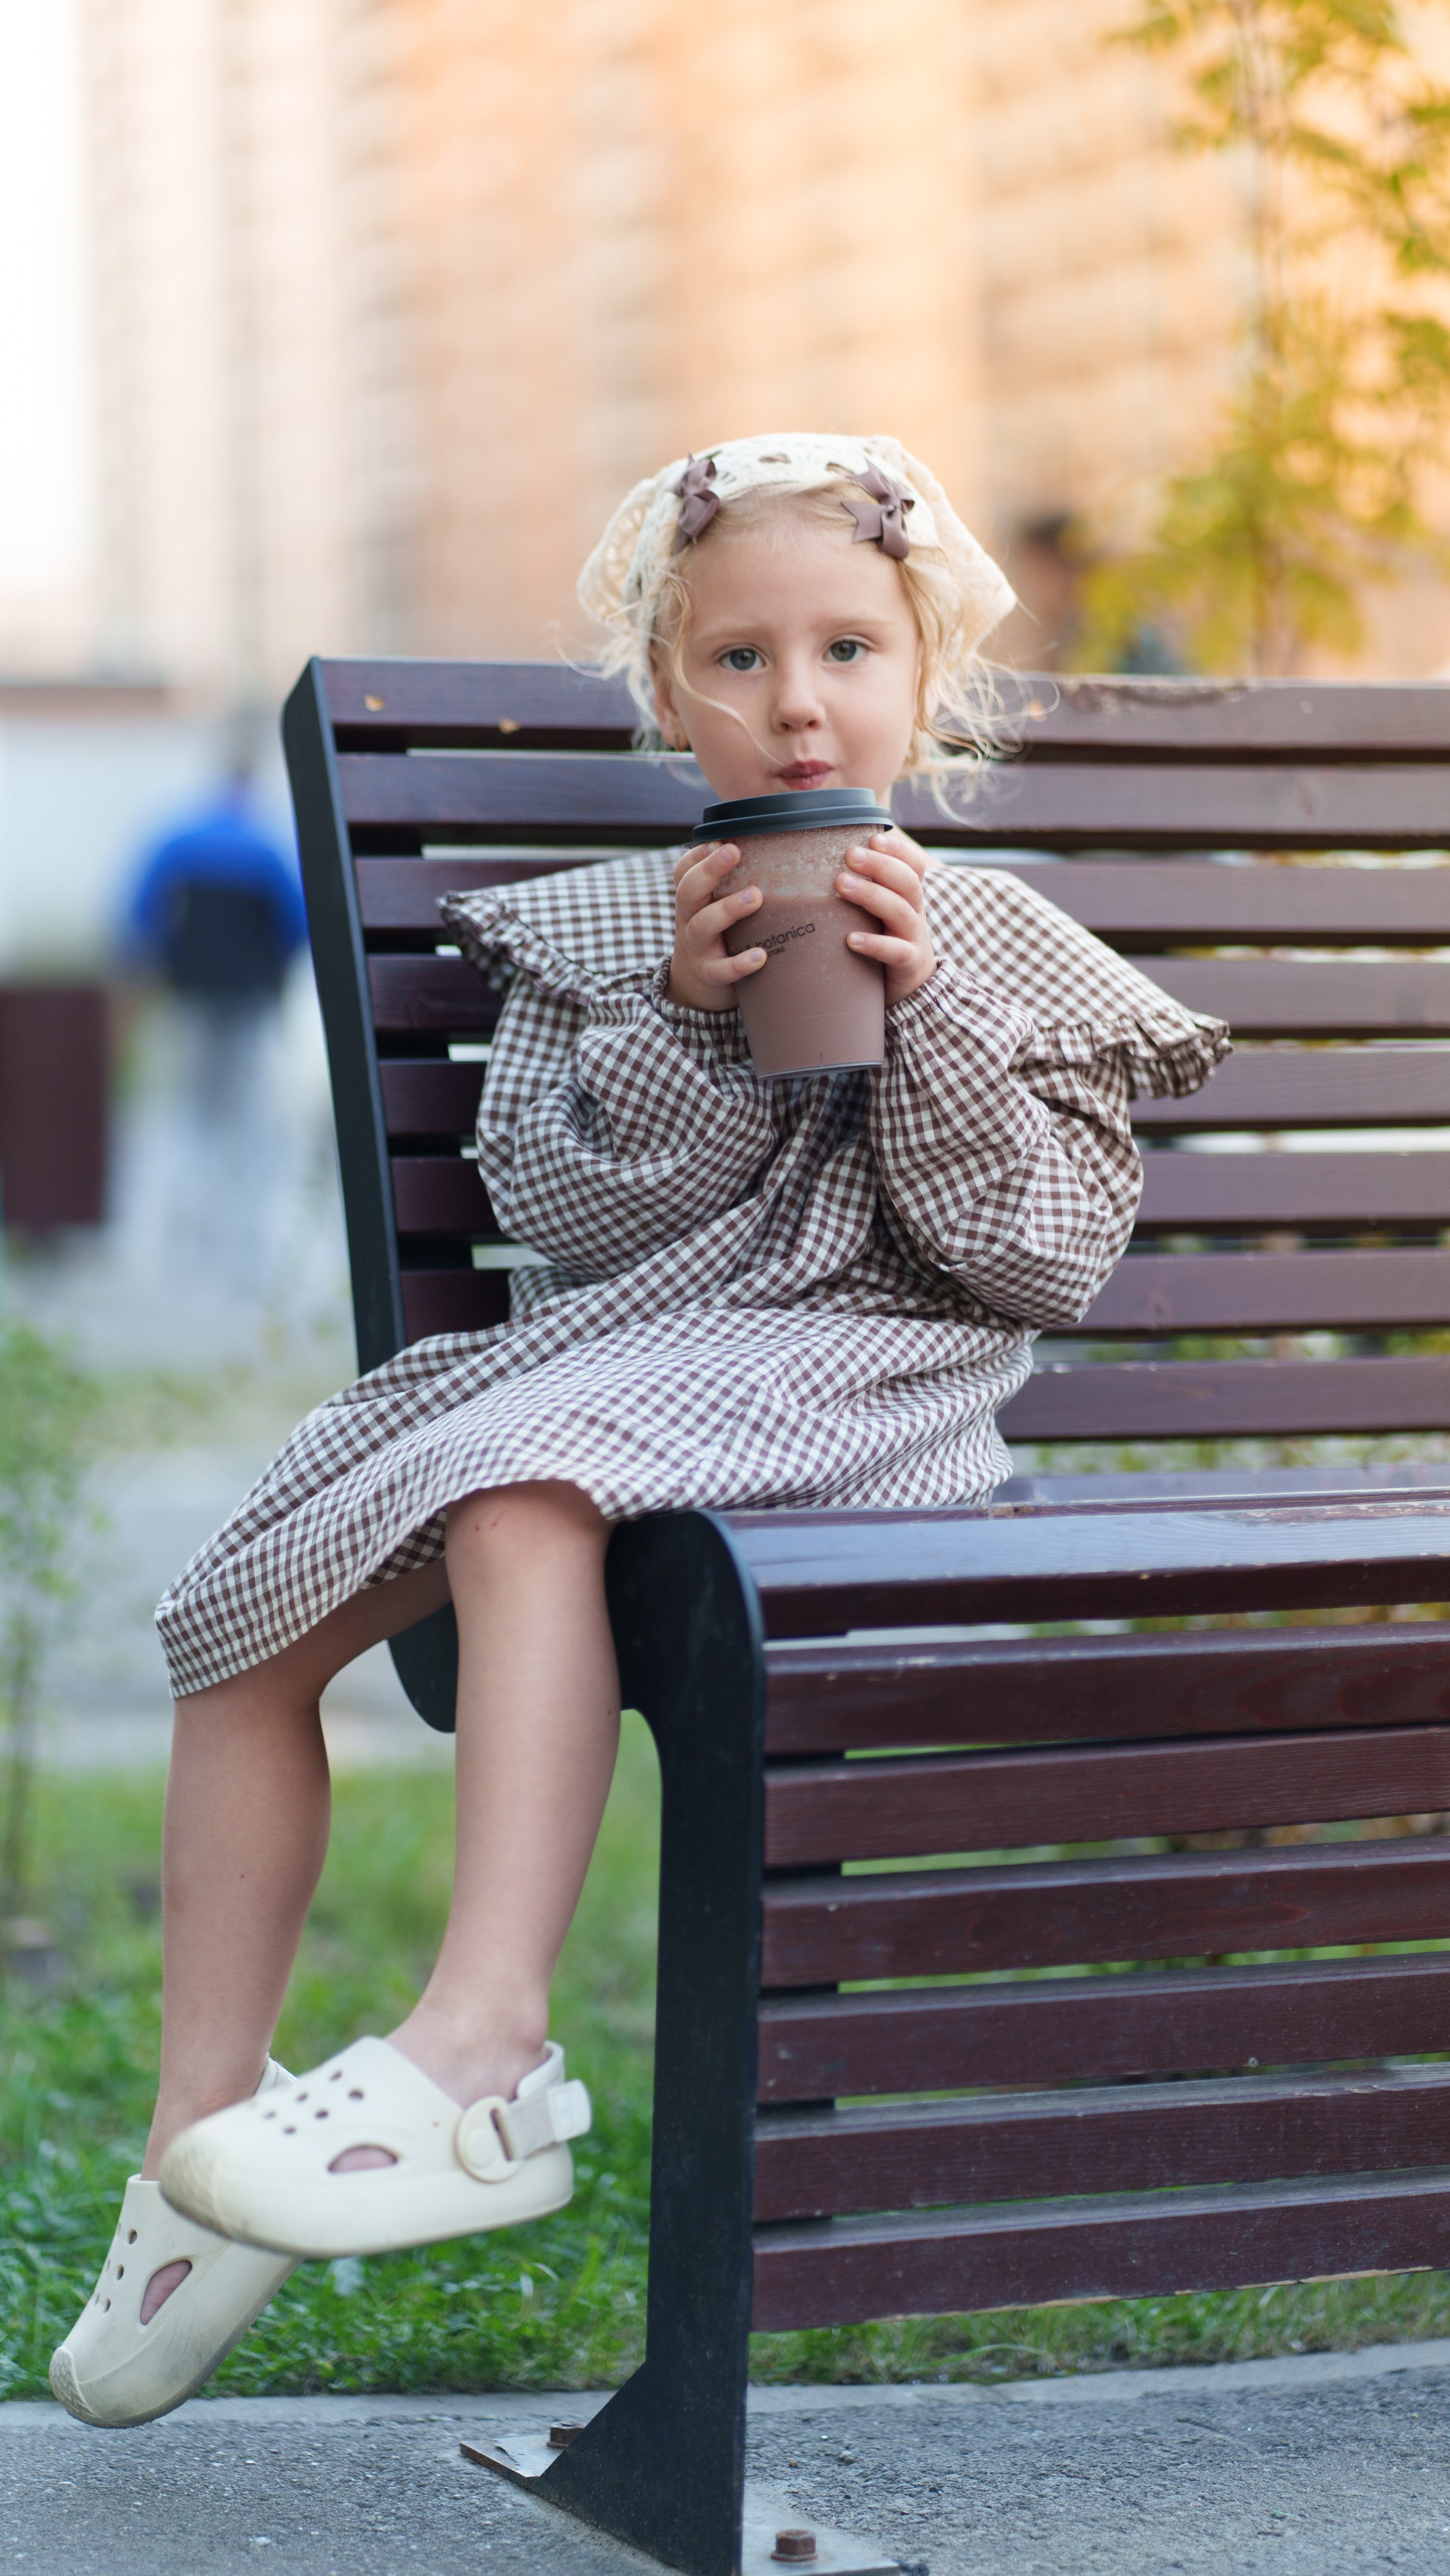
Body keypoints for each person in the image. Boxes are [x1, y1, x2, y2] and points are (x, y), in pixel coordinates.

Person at [52, 433, 1229, 2426]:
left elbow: (1035, 1263)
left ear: (922, 673)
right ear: (668, 691)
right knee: (237, 1621)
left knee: (527, 1497)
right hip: (644, 1348)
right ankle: (197, 2153)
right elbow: (573, 1219)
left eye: (846, 648)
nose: (795, 702)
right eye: (738, 658)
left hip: (877, 1373)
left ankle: (483, 2048)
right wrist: (681, 1020)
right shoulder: (605, 938)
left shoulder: (1014, 950)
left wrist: (922, 1012)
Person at [121, 762, 308, 1284]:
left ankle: (176, 1232)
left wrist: (152, 968)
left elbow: (139, 914)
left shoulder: (178, 838)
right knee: (242, 1111)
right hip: (248, 998)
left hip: (189, 994)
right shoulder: (266, 847)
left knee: (186, 1105)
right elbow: (297, 924)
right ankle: (234, 1237)